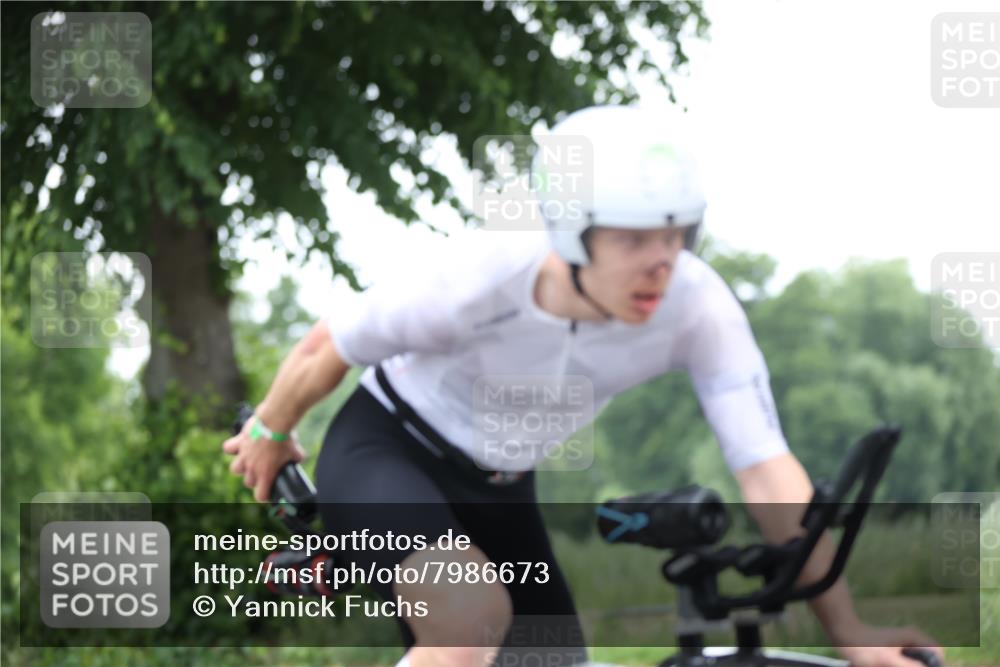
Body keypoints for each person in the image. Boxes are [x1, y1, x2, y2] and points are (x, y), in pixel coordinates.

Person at [223, 106, 945, 667]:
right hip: (389, 450)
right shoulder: (481, 275)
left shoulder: (696, 306)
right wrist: (269, 432)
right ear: (571, 232)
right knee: (472, 618)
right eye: (634, 240)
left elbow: (764, 468)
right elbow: (327, 343)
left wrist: (850, 632)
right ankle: (356, 550)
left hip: (503, 483)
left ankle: (351, 562)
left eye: (677, 236)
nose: (661, 264)